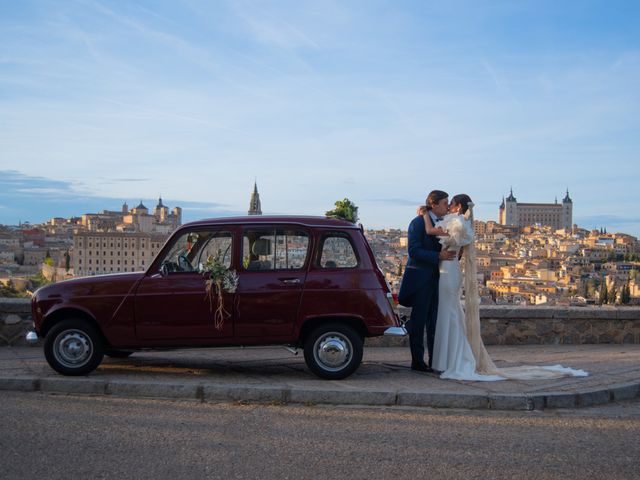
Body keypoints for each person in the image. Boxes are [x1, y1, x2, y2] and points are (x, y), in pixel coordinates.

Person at [430, 194, 588, 381]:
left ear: (457, 206)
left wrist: (425, 216)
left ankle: (452, 360)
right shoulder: (462, 223)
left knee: (450, 314)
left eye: (451, 204)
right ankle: (447, 359)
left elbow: (434, 233)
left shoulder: (458, 223)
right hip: (450, 269)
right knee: (450, 313)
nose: (448, 206)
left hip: (448, 270)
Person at [398, 190, 456, 372]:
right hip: (421, 280)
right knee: (419, 321)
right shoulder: (417, 223)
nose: (447, 206)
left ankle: (434, 360)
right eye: (445, 203)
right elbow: (413, 251)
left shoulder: (445, 223)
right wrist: (438, 255)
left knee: (434, 322)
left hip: (439, 280)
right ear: (434, 204)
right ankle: (417, 361)